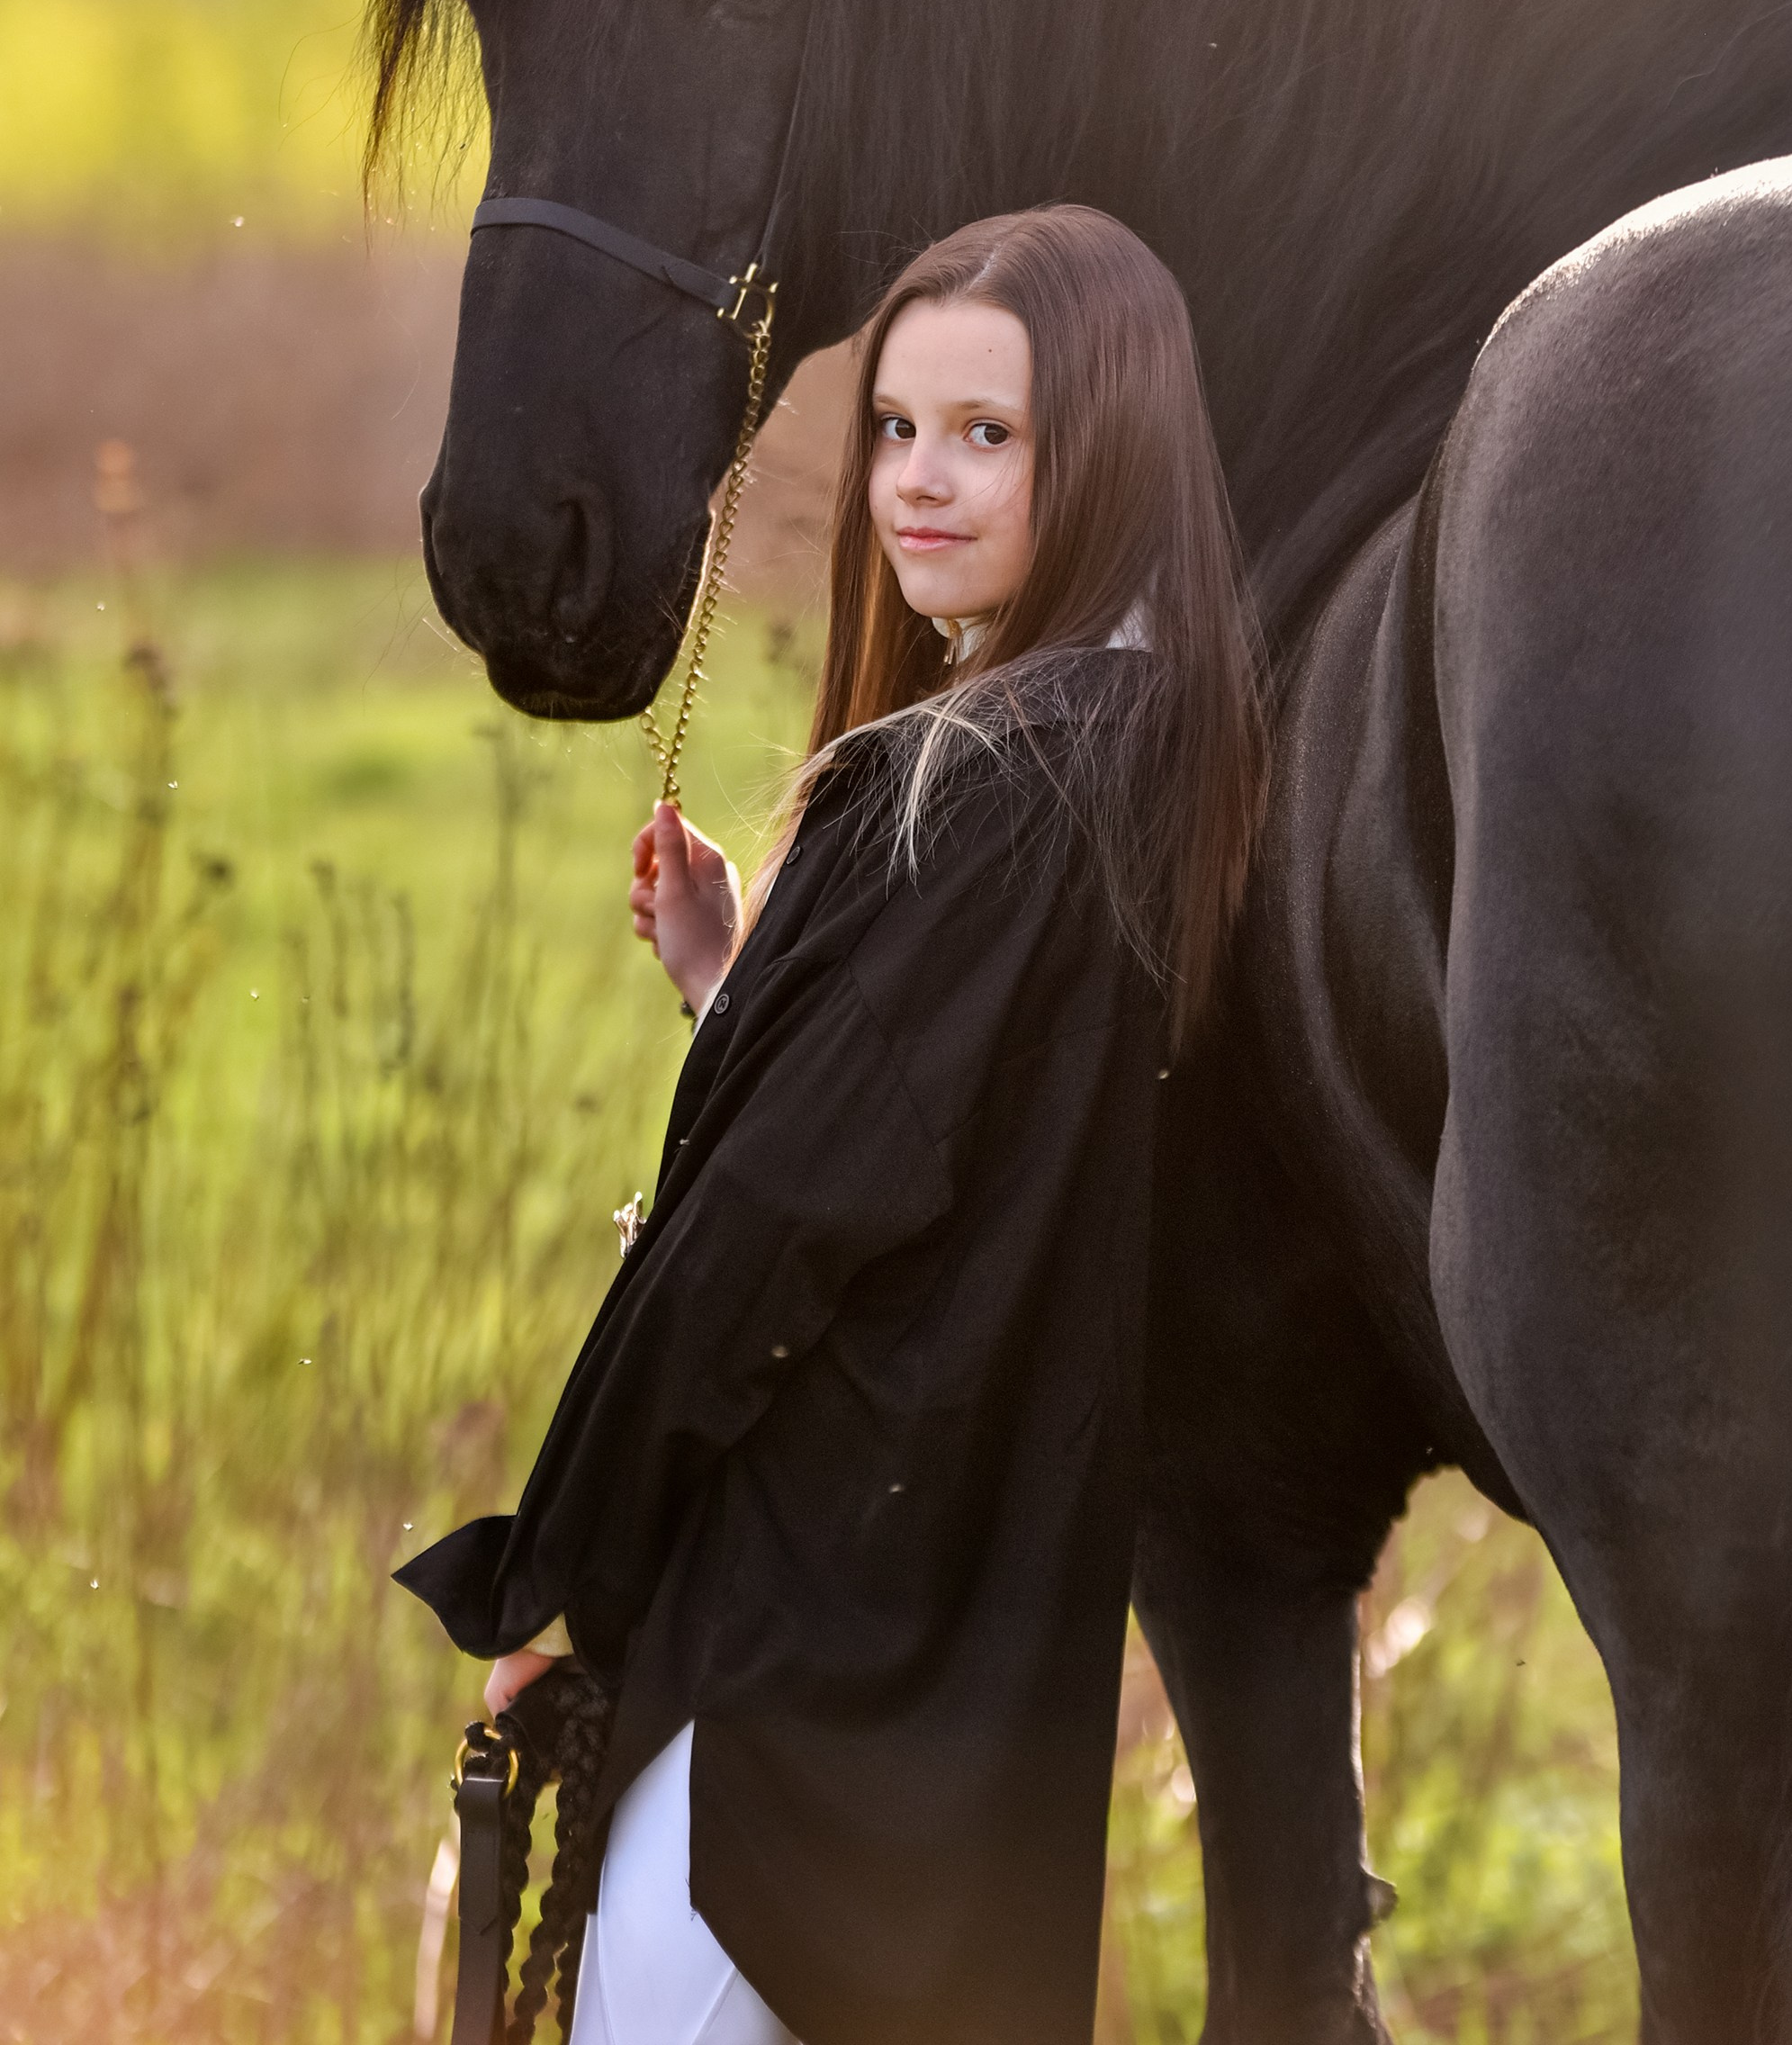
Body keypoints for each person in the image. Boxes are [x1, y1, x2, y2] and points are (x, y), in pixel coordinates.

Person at [398, 204, 1266, 2045]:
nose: (918, 486)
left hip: (794, 1695)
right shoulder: (1152, 765)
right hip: (964, 1703)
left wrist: (558, 1588)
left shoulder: (960, 792)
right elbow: (950, 1160)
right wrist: (747, 993)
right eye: (893, 428)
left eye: (987, 434)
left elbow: (760, 1242)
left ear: (1098, 445)